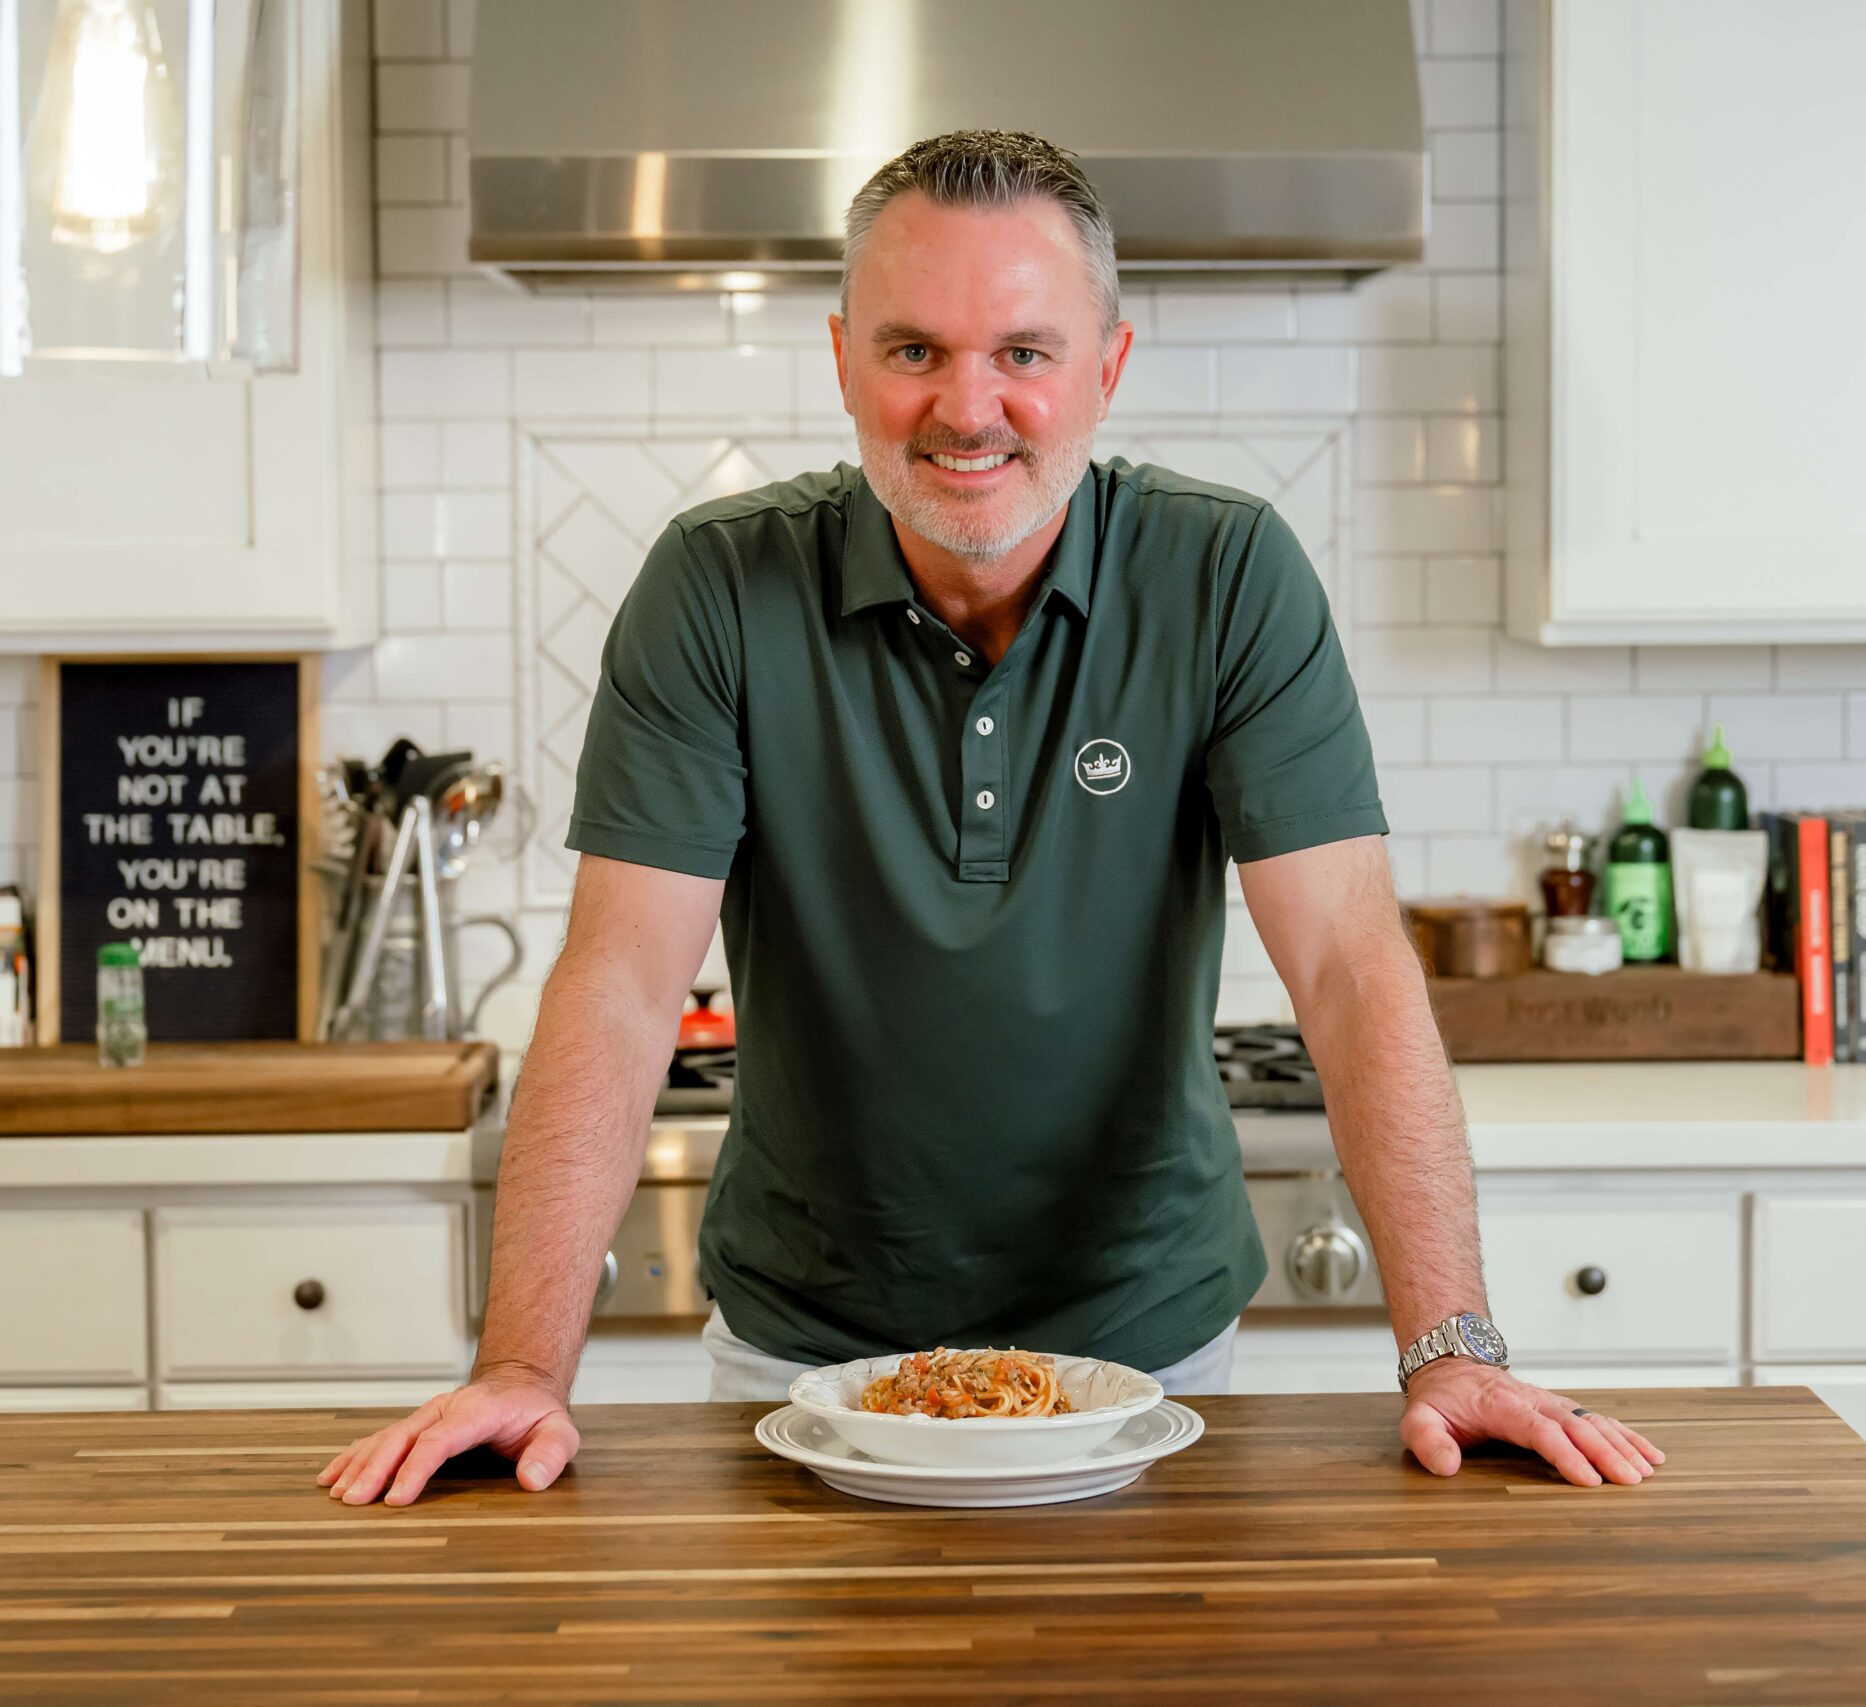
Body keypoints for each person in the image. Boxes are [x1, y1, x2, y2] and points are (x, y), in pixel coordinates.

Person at [320, 131, 1664, 1507]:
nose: (970, 408)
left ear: (1108, 368)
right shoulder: (715, 588)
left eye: (1024, 350)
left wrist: (1453, 1350)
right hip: (805, 1374)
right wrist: (523, 1371)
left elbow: (1350, 970)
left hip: (1155, 1371)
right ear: (844, 361)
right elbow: (618, 985)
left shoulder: (1228, 574)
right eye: (915, 352)